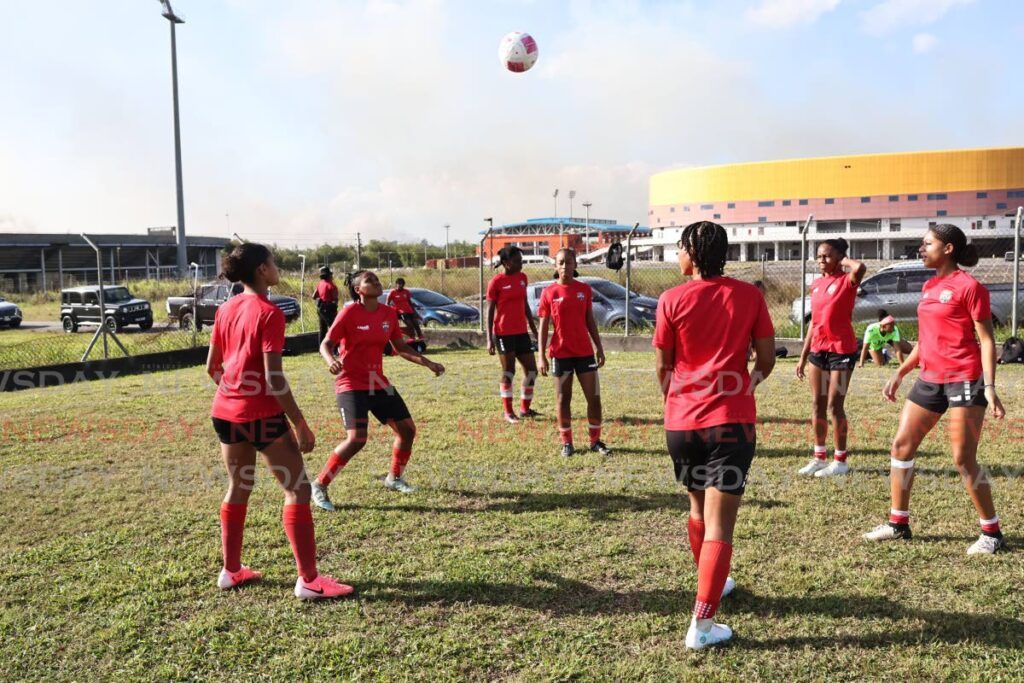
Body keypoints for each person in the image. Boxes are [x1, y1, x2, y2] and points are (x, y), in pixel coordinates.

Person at [654, 221, 776, 650]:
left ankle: (714, 587)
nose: (676, 255)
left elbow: (663, 368)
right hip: (730, 422)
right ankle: (701, 628)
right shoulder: (749, 296)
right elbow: (765, 358)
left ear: (693, 251)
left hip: (682, 424)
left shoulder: (670, 299)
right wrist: (747, 384)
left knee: (698, 510)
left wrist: (676, 402)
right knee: (720, 528)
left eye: (678, 248)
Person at [207, 243, 352, 600]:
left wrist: (235, 392)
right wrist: (300, 422)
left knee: (239, 486)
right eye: (272, 263)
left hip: (224, 412)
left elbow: (212, 366)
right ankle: (309, 581)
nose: (277, 268)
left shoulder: (226, 309)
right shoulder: (269, 313)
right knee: (298, 490)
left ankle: (231, 571)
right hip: (261, 416)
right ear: (261, 270)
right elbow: (274, 380)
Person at [864, 224, 1007, 554]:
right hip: (930, 379)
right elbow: (926, 341)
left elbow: (986, 341)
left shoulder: (970, 287)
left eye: (928, 243)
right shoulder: (929, 286)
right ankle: (898, 524)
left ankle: (992, 533)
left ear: (948, 249)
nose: (921, 248)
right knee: (901, 446)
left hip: (965, 378)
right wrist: (900, 372)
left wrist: (989, 387)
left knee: (963, 458)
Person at [311, 270, 445, 511]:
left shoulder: (388, 313)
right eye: (368, 280)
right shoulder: (350, 312)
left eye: (376, 278)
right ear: (358, 289)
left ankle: (394, 478)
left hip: (378, 382)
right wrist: (329, 360)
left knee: (407, 430)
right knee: (357, 439)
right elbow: (326, 344)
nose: (375, 281)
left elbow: (401, 347)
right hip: (350, 383)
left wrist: (428, 363)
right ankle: (319, 484)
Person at [795, 238, 866, 477]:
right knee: (817, 404)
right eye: (818, 256)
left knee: (835, 405)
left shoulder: (847, 281)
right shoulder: (815, 285)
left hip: (842, 352)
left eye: (826, 256)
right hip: (818, 350)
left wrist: (843, 259)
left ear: (838, 258)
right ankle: (818, 456)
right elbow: (815, 324)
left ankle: (841, 461)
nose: (821, 260)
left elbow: (859, 268)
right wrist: (803, 357)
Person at [538, 248, 610, 456]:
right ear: (555, 266)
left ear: (575, 265)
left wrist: (599, 347)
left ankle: (595, 441)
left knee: (594, 397)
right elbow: (543, 326)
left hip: (584, 353)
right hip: (560, 354)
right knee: (563, 399)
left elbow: (590, 320)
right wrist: (541, 356)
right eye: (560, 262)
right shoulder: (549, 293)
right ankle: (567, 443)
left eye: (569, 262)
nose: (564, 266)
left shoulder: (584, 290)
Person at [486, 245, 541, 423]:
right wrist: (489, 338)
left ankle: (525, 410)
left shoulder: (522, 278)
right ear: (507, 263)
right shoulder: (496, 282)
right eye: (518, 261)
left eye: (521, 260)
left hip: (521, 333)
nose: (521, 264)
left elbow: (525, 304)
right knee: (509, 372)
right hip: (503, 334)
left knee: (532, 371)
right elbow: (490, 311)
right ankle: (508, 412)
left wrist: (533, 329)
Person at [387, 277, 424, 343]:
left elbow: (409, 302)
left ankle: (420, 336)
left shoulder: (406, 292)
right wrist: (389, 310)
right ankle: (412, 337)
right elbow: (387, 303)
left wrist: (414, 311)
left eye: (401, 284)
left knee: (415, 323)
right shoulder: (392, 292)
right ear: (396, 284)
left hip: (409, 310)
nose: (400, 285)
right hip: (401, 312)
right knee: (409, 324)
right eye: (399, 284)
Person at [313, 266, 339, 343]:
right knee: (333, 328)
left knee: (322, 329)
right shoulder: (331, 286)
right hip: (329, 308)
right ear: (329, 275)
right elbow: (335, 298)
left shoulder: (320, 284)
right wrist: (334, 308)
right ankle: (335, 349)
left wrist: (321, 298)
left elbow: (313, 296)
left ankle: (321, 348)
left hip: (320, 308)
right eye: (331, 275)